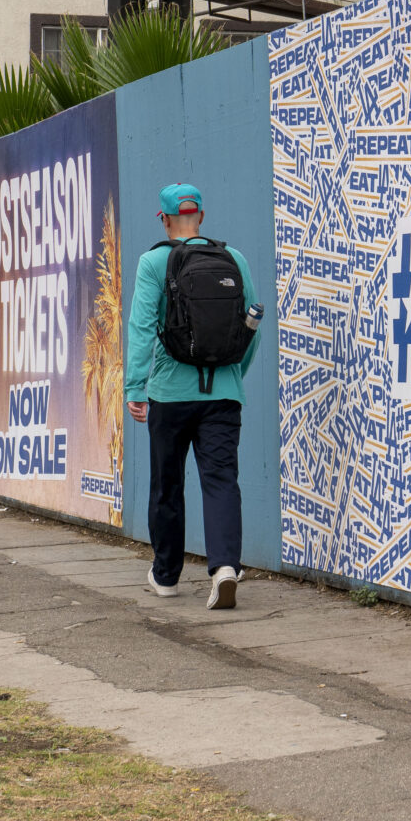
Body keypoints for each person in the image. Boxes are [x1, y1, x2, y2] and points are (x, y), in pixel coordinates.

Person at [125, 182, 262, 609]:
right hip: (223, 393)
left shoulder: (153, 262)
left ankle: (166, 576)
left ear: (164, 219)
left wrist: (135, 386)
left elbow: (142, 328)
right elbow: (250, 325)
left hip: (170, 394)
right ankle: (224, 566)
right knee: (221, 480)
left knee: (167, 483)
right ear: (200, 216)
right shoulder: (233, 258)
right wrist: (233, 373)